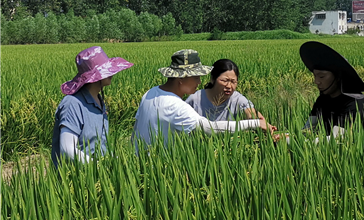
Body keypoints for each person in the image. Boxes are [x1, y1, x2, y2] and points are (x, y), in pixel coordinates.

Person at [132, 49, 272, 151]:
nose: (199, 82)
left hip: (141, 161)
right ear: (181, 79)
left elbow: (136, 129)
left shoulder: (150, 93)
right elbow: (211, 129)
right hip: (160, 168)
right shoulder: (176, 106)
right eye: (195, 77)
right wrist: (255, 124)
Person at [51, 46, 134, 167]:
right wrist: (98, 166)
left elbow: (99, 145)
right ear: (95, 77)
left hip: (97, 175)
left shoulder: (99, 101)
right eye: (106, 71)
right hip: (74, 177)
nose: (112, 74)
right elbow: (67, 149)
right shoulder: (73, 104)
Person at [299, 41, 364, 141]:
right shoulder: (322, 100)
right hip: (320, 147)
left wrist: (300, 142)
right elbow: (307, 129)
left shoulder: (355, 103)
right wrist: (286, 137)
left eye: (321, 76)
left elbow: (337, 138)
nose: (316, 81)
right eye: (315, 76)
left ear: (338, 77)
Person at [186, 58, 264, 122]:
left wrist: (259, 122)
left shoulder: (237, 99)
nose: (229, 86)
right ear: (212, 79)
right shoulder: (195, 99)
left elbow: (251, 112)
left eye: (233, 81)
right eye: (224, 81)